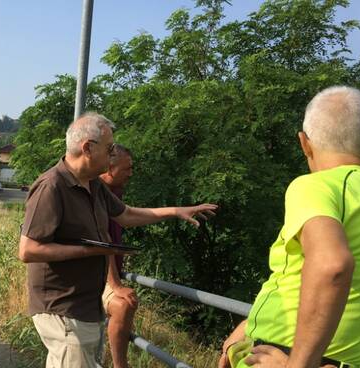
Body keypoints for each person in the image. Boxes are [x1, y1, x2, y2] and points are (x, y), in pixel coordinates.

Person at [218, 86, 360, 368]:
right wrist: (251, 323)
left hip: (293, 356)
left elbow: (332, 265)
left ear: (304, 143)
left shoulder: (316, 186)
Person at [19, 112, 218, 368]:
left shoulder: (93, 184)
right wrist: (88, 251)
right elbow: (28, 250)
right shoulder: (51, 186)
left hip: (86, 307)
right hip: (61, 308)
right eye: (109, 148)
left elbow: (125, 215)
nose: (112, 154)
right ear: (88, 148)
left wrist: (175, 211)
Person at [98, 145, 136, 368]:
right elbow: (103, 242)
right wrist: (115, 283)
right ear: (109, 169)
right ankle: (120, 365)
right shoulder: (98, 192)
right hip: (98, 275)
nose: (130, 173)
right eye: (127, 169)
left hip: (104, 273)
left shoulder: (115, 191)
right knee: (124, 305)